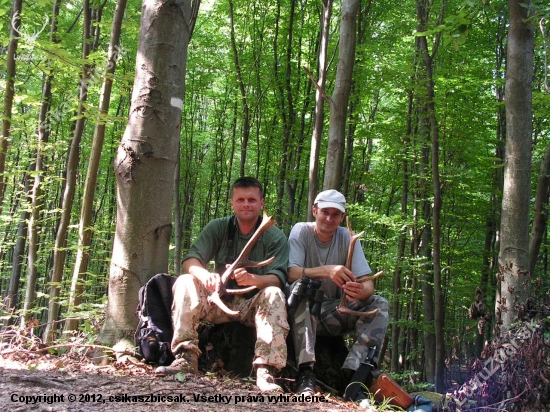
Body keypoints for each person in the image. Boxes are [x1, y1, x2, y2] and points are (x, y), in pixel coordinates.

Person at [157, 177, 289, 392]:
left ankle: (266, 371)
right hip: (218, 301)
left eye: (252, 200)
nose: (246, 204)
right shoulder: (219, 227)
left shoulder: (274, 235)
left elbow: (279, 277)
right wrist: (203, 274)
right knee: (185, 280)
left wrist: (254, 280)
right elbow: (191, 259)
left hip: (253, 307)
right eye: (241, 199)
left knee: (274, 293)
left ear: (261, 203)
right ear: (232, 203)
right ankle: (186, 358)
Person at [287, 189, 389, 404]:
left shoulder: (347, 237)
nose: (329, 218)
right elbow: (291, 273)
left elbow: (367, 281)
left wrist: (362, 291)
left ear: (342, 217)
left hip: (335, 312)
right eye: (325, 212)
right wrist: (327, 270)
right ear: (314, 210)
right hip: (301, 314)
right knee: (305, 290)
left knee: (379, 303)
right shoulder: (301, 231)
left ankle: (356, 377)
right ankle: (305, 373)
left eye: (335, 214)